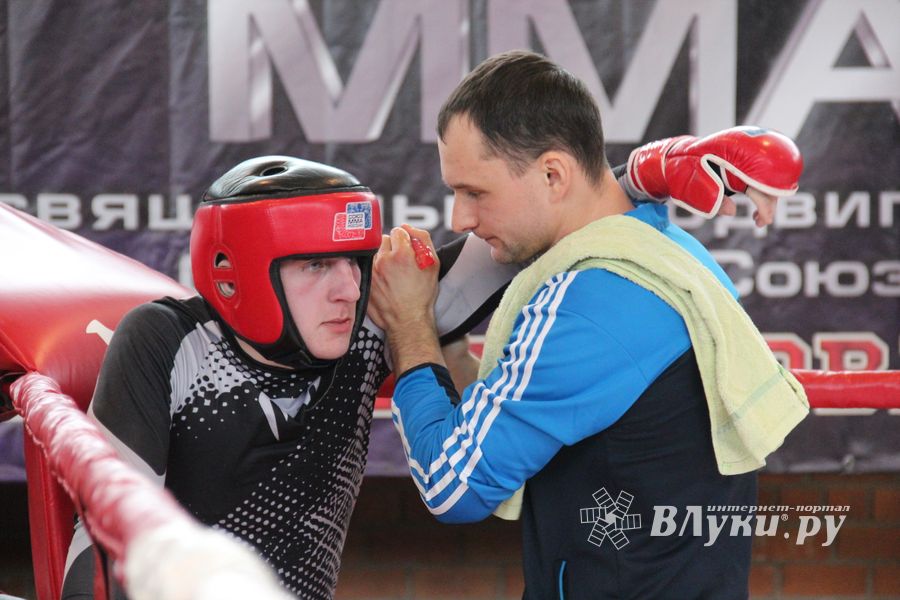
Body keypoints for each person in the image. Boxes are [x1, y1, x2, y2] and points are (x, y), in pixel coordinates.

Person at [61, 121, 795, 598]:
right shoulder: (166, 342)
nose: (349, 288)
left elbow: (522, 235)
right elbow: (104, 528)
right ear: (237, 272)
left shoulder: (370, 328)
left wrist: (646, 175)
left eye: (354, 263)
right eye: (316, 266)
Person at [368, 50, 808, 599]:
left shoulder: (589, 303)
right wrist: (654, 170)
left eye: (475, 192)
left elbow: (451, 487)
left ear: (554, 174)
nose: (460, 219)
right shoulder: (659, 247)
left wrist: (408, 324)